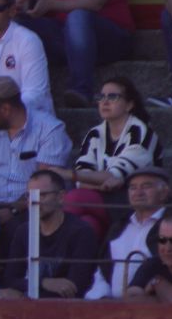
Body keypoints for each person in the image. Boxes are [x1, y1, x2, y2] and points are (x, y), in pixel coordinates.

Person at [66, 76, 161, 233]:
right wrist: (100, 183)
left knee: (74, 198)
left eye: (113, 97)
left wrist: (70, 175)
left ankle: (54, 250)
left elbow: (114, 175)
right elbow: (82, 179)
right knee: (87, 224)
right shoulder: (94, 133)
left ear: (129, 104)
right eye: (101, 97)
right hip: (103, 199)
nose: (105, 102)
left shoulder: (140, 132)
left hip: (135, 199)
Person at [0, 169, 100, 299]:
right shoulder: (23, 230)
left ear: (60, 197)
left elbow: (76, 285)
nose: (34, 201)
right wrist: (43, 283)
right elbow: (10, 279)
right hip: (30, 300)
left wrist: (28, 289)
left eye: (42, 195)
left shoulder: (81, 232)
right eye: (29, 195)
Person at [0, 76, 72, 207]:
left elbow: (43, 187)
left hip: (33, 211)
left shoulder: (50, 130)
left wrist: (12, 210)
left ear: (5, 109)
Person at [86, 167, 169, 299]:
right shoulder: (119, 226)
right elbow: (102, 271)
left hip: (154, 308)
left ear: (164, 193)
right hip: (112, 309)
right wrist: (100, 297)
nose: (138, 193)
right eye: (133, 188)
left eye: (146, 186)